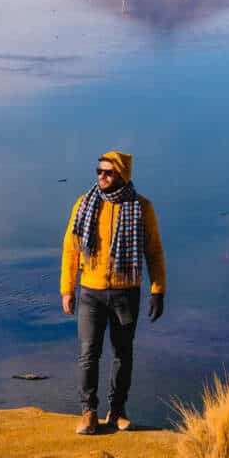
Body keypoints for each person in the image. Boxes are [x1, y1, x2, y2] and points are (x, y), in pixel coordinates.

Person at [60, 150, 166, 435]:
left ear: (122, 175)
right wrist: (66, 289)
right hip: (90, 292)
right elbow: (71, 249)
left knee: (123, 355)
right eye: (99, 171)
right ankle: (88, 412)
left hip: (125, 292)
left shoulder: (141, 207)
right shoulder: (84, 204)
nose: (101, 176)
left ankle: (117, 412)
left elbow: (153, 251)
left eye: (108, 172)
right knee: (87, 353)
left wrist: (158, 289)